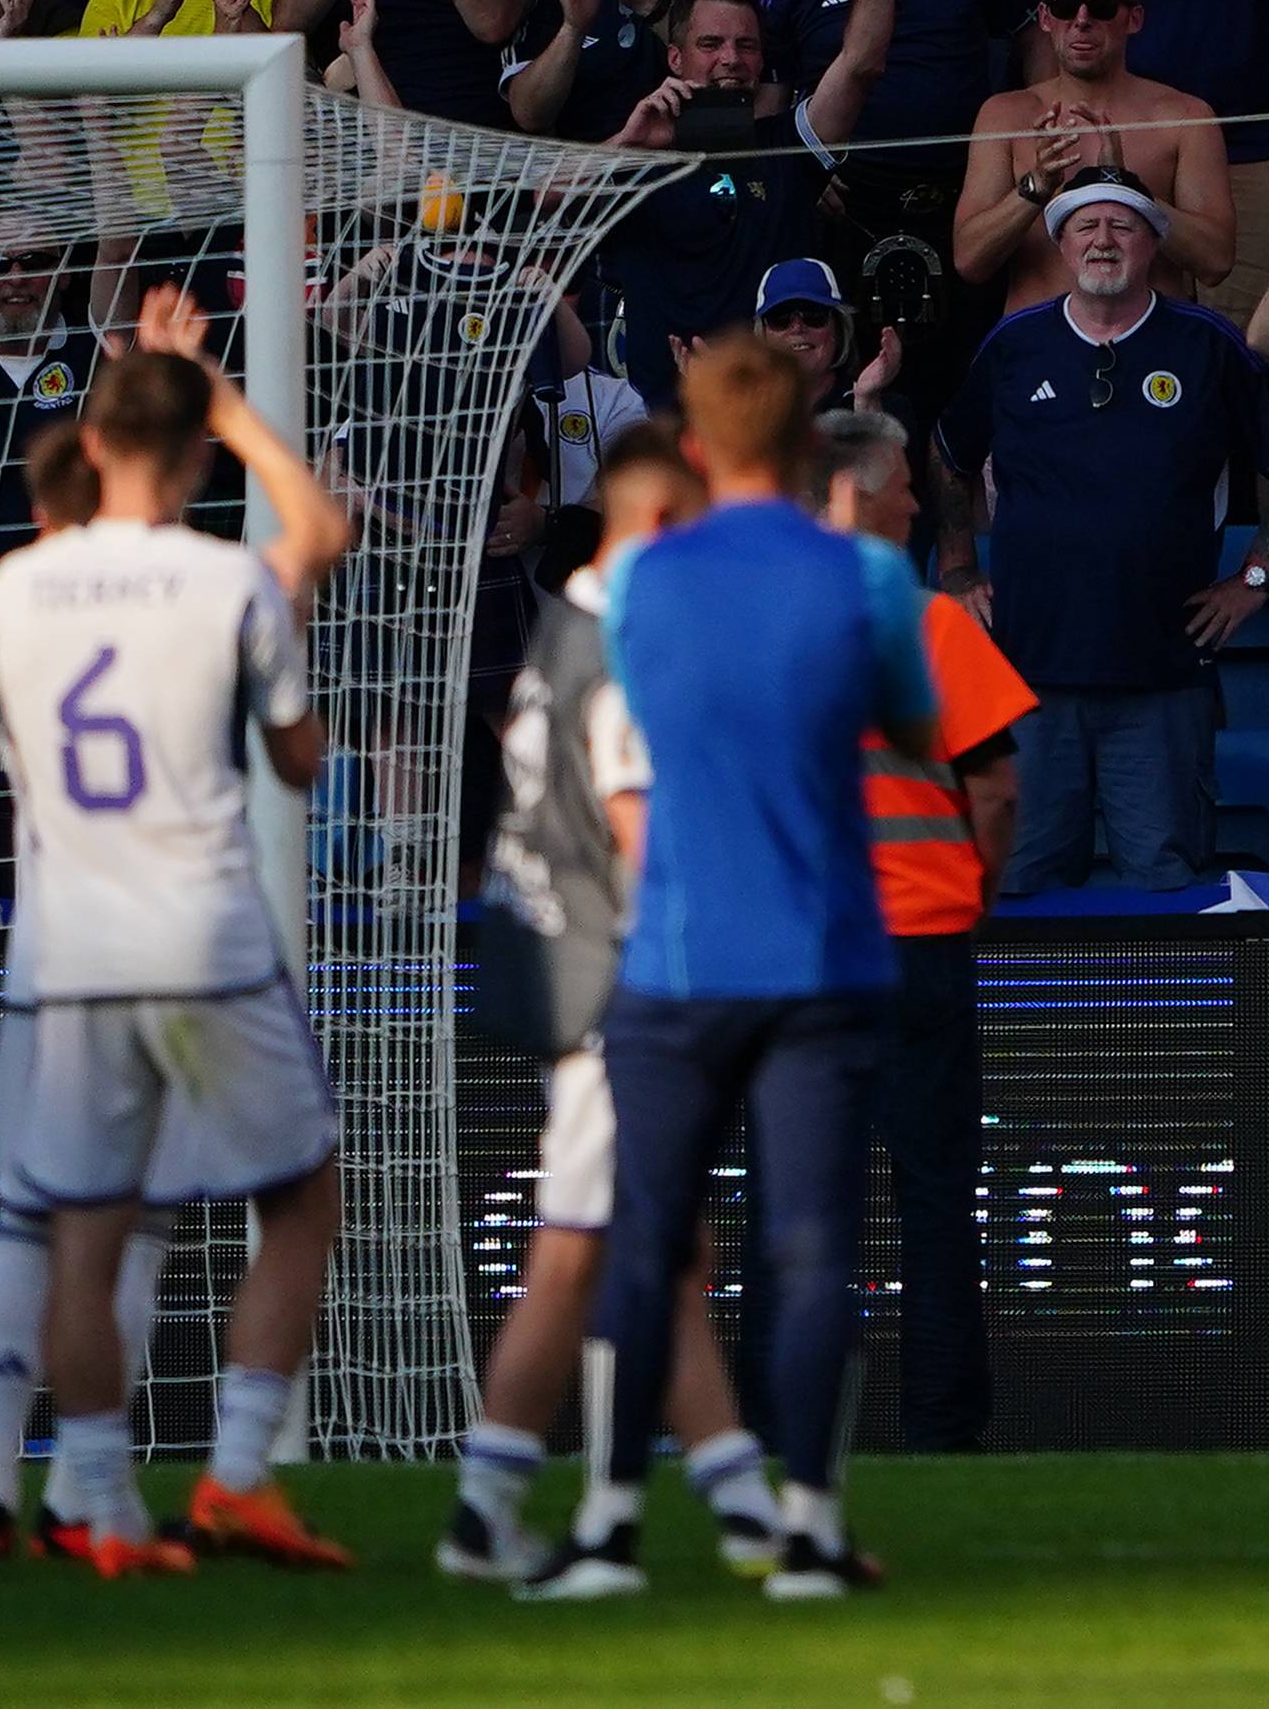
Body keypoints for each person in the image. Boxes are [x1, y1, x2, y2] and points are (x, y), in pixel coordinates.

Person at [526, 330, 936, 1608]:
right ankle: (808, 1527)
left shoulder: (642, 580)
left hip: (680, 957)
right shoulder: (863, 575)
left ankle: (606, 1525)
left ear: (694, 445)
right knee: (812, 1245)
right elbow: (914, 725)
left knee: (648, 1244)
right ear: (811, 439)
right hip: (823, 949)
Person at [0, 290, 356, 1578]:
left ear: (86, 448)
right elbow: (299, 762)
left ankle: (101, 1508)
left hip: (67, 950)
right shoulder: (226, 580)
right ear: (193, 450)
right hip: (201, 935)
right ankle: (238, 1474)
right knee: (299, 1192)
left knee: (78, 1229)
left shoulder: (9, 590)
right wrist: (222, 392)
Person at [441, 428, 782, 1590]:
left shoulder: (563, 635)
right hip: (618, 990)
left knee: (665, 1245)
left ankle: (739, 1496)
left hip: (561, 965)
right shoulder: (629, 643)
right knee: (577, 1247)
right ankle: (487, 1505)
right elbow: (644, 834)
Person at [956, 177, 1269, 895]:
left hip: (1162, 680)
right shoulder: (1014, 345)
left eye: (1123, 226)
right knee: (1020, 890)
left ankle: (1160, 1019)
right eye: (1086, 225)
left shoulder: (1207, 345)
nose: (1103, 240)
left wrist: (1256, 577)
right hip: (1032, 679)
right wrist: (957, 563)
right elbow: (946, 456)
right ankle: (1034, 1019)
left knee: (1166, 890)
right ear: (1060, 245)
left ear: (1154, 243)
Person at [818, 408, 1036, 1460]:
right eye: (901, 482)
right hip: (919, 941)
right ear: (855, 491)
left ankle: (793, 1432)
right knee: (938, 1202)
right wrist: (973, 889)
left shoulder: (753, 623)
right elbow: (994, 789)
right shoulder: (930, 621)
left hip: (802, 955)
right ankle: (944, 1435)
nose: (916, 499)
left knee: (802, 1208)